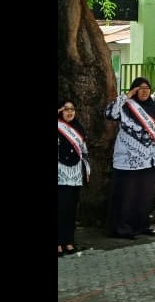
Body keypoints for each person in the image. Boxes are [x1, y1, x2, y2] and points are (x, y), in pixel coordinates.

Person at [105, 77, 155, 239]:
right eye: (140, 88)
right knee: (127, 196)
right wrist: (126, 96)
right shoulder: (126, 106)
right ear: (134, 90)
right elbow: (109, 113)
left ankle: (141, 225)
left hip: (151, 160)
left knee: (145, 196)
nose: (144, 91)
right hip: (127, 161)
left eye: (147, 88)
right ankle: (122, 228)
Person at [58, 100, 90, 257]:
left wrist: (87, 170)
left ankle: (69, 241)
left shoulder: (79, 128)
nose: (70, 112)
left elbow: (84, 151)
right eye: (65, 109)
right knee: (60, 209)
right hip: (60, 173)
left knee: (71, 209)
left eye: (72, 109)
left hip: (75, 174)